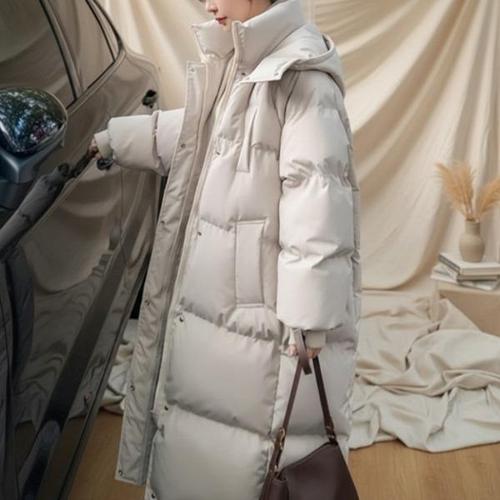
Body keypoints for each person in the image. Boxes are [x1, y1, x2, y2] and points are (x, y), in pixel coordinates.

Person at [89, 0, 361, 498]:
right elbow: (196, 134)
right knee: (201, 443)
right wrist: (117, 139)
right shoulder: (244, 63)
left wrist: (309, 319)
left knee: (245, 456)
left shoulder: (300, 77)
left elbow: (318, 200)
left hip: (259, 323)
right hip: (218, 309)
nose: (210, 3)